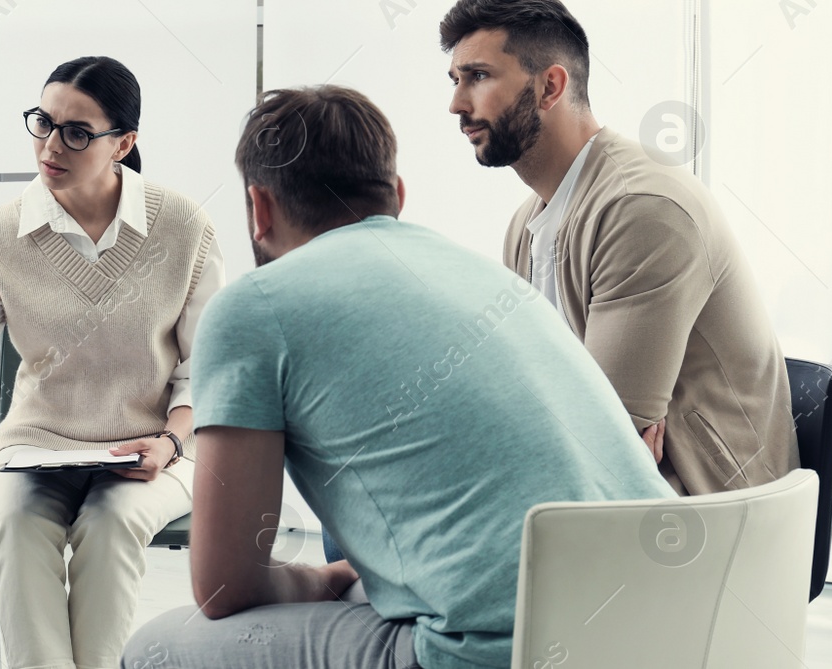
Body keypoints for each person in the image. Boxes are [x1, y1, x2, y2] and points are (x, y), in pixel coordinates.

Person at [122, 85, 673, 669]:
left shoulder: (253, 307)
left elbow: (223, 587)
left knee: (154, 648)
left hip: (498, 656)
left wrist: (320, 581)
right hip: (668, 628)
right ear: (397, 198)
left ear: (260, 208)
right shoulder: (486, 278)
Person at [0, 56, 224, 669]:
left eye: (77, 133)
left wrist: (168, 442)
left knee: (110, 528)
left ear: (123, 143)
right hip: (36, 445)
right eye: (43, 124)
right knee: (19, 528)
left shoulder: (183, 226)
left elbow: (203, 370)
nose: (51, 146)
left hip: (154, 447)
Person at [440, 0, 797, 494]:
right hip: (604, 500)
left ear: (550, 86)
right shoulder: (528, 223)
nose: (457, 104)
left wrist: (584, 430)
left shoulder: (643, 209)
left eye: (477, 76)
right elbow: (533, 406)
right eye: (455, 80)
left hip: (704, 514)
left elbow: (603, 442)